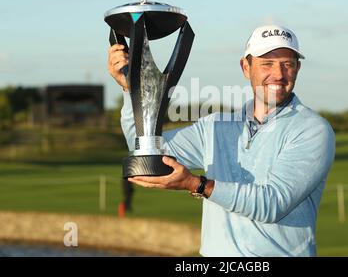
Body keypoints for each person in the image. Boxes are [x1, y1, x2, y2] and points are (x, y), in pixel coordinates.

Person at [107, 24, 336, 256]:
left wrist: (196, 184)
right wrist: (131, 91)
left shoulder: (312, 129)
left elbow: (272, 203)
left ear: (297, 68)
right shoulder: (216, 125)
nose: (278, 74)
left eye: (287, 64)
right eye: (267, 63)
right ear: (246, 67)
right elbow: (146, 148)